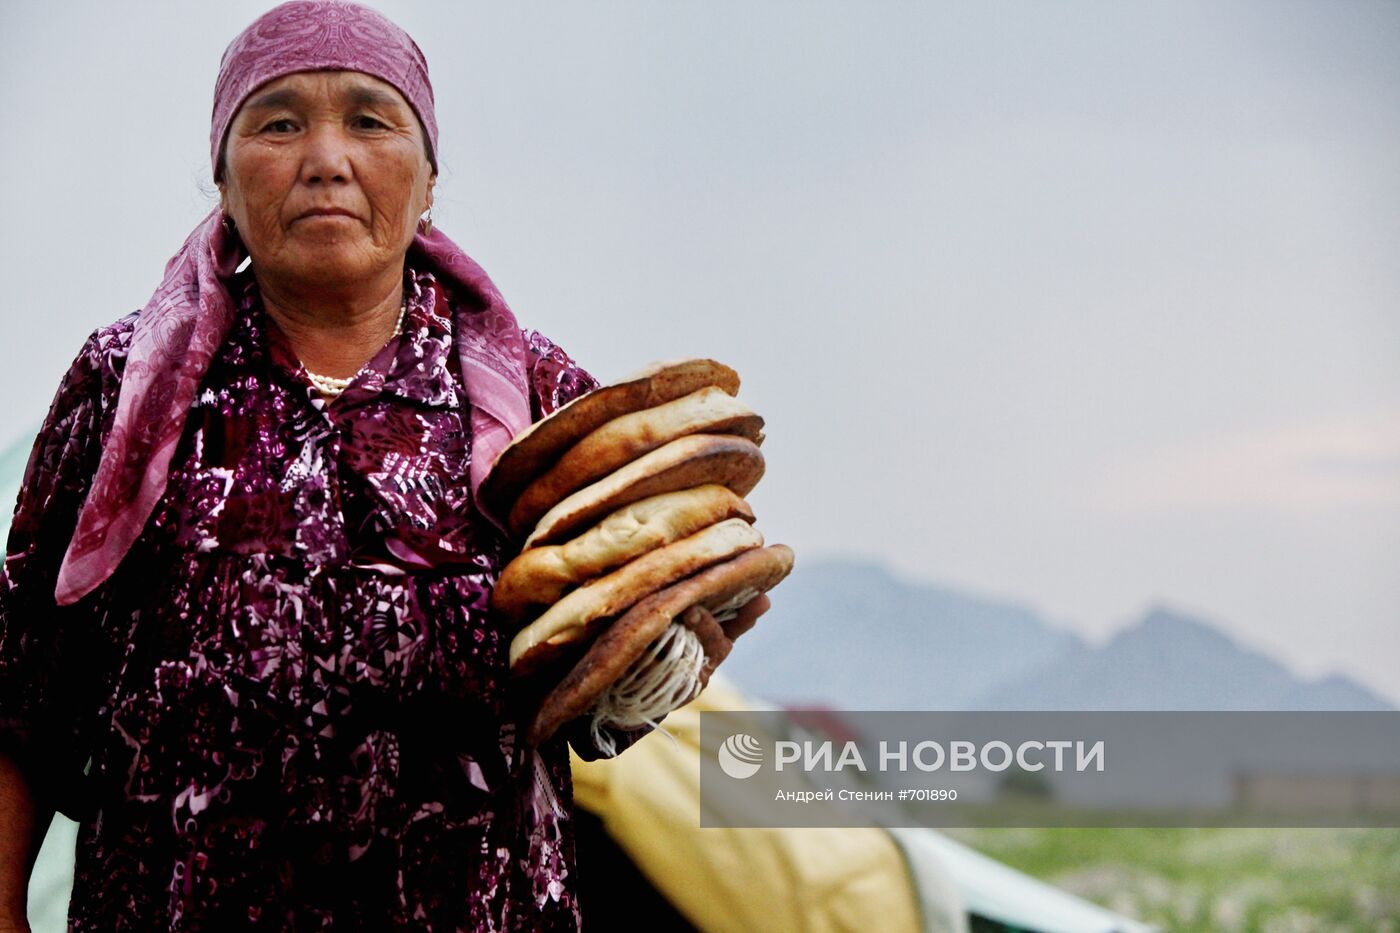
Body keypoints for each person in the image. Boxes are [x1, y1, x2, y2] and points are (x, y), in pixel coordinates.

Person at [0, 2, 768, 930]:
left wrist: (671, 646)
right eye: (278, 122)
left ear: (429, 177)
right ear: (222, 174)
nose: (327, 157)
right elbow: (20, 696)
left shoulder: (537, 400)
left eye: (370, 119)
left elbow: (594, 708)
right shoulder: (125, 386)